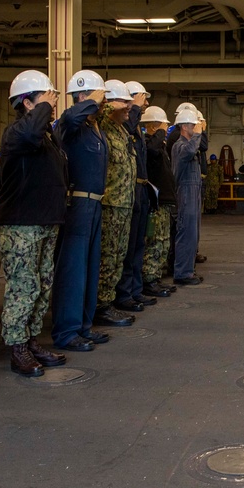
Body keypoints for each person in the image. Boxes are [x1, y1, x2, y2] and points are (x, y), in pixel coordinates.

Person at [0, 70, 68, 378]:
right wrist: (42, 108)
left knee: (42, 284)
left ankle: (31, 339)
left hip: (44, 221)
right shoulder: (17, 134)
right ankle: (18, 348)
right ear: (27, 103)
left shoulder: (45, 137)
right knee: (24, 287)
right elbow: (29, 134)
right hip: (21, 223)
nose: (52, 105)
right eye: (46, 99)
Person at [52, 69, 117, 352]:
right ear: (82, 97)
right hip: (77, 203)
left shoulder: (94, 127)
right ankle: (66, 331)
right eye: (96, 97)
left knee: (89, 266)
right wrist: (92, 99)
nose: (102, 103)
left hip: (94, 203)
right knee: (73, 269)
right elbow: (72, 115)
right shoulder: (71, 122)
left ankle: (83, 326)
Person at [95, 79, 141, 319]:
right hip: (110, 204)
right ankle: (100, 305)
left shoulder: (123, 131)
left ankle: (108, 301)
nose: (129, 106)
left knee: (118, 256)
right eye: (124, 101)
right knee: (108, 257)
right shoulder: (102, 126)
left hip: (124, 202)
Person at [114, 80, 153, 314]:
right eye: (141, 98)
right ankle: (124, 293)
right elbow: (127, 128)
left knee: (139, 243)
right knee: (127, 247)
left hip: (140, 188)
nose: (145, 102)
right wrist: (135, 108)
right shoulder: (127, 124)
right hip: (126, 191)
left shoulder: (137, 127)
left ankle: (135, 289)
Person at [140, 106, 176, 298]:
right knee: (155, 242)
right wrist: (160, 130)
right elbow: (151, 150)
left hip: (165, 201)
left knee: (163, 242)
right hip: (156, 202)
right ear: (153, 126)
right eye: (163, 126)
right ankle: (149, 279)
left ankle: (156, 277)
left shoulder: (159, 146)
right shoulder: (148, 144)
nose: (166, 130)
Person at [171, 107, 205, 285]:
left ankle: (188, 270)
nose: (196, 128)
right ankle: (182, 273)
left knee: (193, 233)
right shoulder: (180, 146)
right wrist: (198, 135)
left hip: (193, 190)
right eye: (193, 125)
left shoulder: (188, 144)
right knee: (186, 233)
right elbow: (191, 151)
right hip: (185, 192)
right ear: (184, 126)